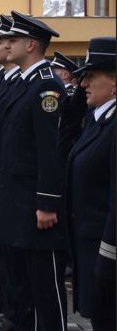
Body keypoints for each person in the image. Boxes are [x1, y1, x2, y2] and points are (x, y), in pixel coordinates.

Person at [0, 11, 69, 331]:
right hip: (16, 199)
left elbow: (50, 150)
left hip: (34, 203)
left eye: (13, 40)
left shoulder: (45, 87)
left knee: (43, 287)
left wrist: (47, 202)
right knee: (23, 280)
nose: (6, 44)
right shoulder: (24, 84)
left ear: (32, 45)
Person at [66, 37, 115, 330]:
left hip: (106, 255)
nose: (83, 84)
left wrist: (107, 261)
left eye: (91, 76)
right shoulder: (99, 121)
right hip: (90, 247)